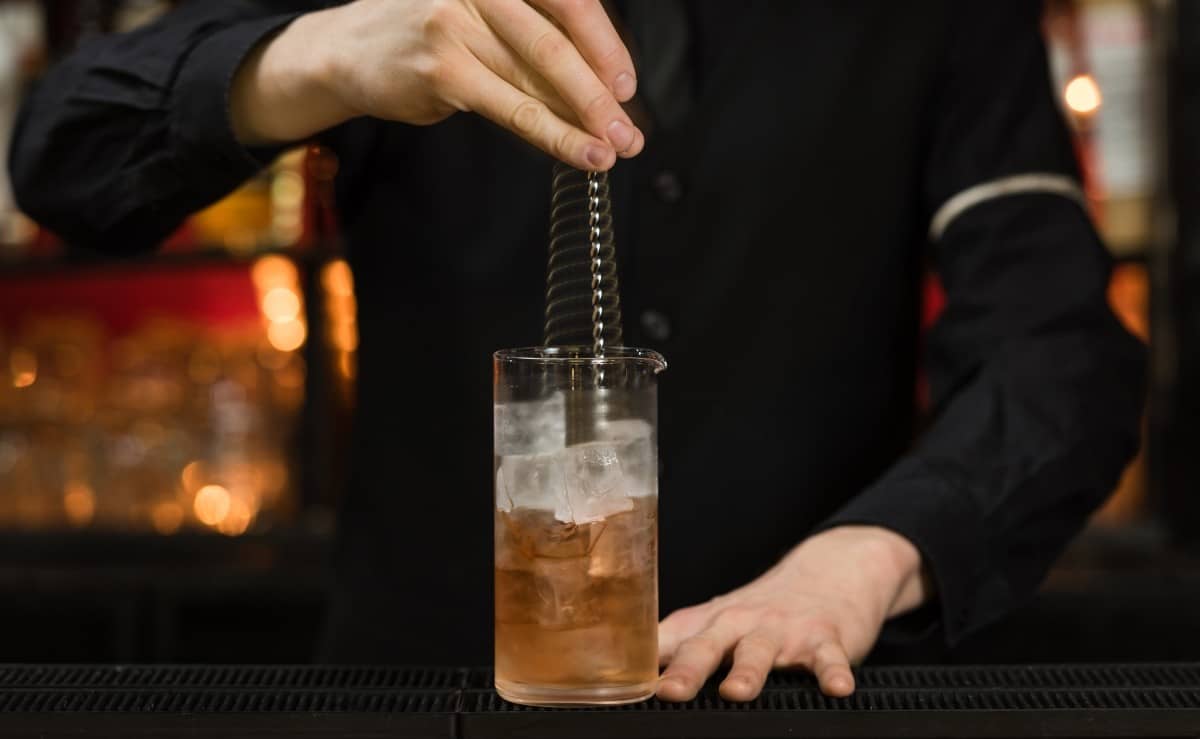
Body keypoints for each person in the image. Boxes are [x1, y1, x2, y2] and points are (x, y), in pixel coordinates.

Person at [10, 0, 1144, 702]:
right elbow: (65, 154)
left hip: (802, 683)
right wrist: (318, 56)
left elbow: (1058, 348)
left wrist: (871, 556)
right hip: (427, 687)